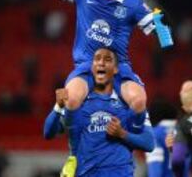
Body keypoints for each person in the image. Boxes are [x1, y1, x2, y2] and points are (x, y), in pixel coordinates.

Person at [40, 0, 172, 132]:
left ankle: (131, 136)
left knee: (138, 100)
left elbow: (166, 39)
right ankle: (73, 146)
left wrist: (163, 24)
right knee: (72, 99)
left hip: (118, 67)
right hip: (86, 66)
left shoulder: (133, 4)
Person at [44, 48, 155, 176]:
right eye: (97, 59)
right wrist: (58, 106)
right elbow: (48, 133)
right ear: (92, 67)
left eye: (107, 59)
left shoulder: (129, 102)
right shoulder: (78, 100)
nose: (101, 63)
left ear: (115, 69)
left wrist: (122, 134)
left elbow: (149, 143)